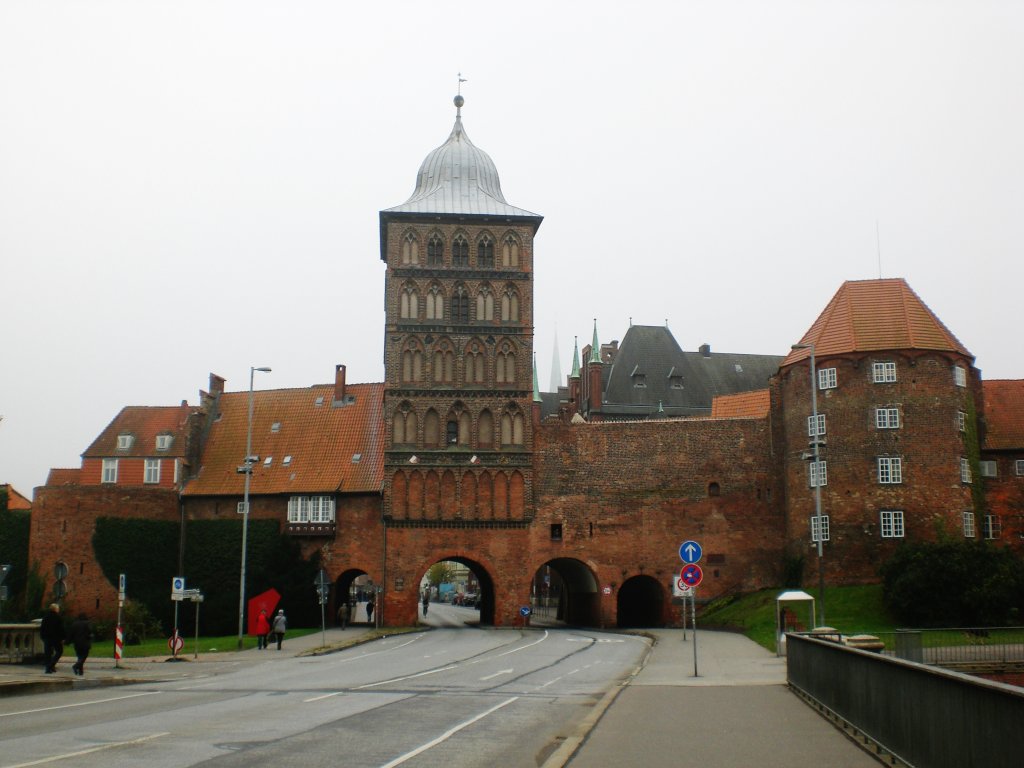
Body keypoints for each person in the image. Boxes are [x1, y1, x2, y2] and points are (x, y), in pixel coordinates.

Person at [40, 603, 64, 674]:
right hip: (56, 638)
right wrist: (63, 638)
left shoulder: (46, 617)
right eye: (58, 608)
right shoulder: (58, 617)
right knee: (59, 651)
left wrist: (42, 636)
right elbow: (61, 629)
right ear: (56, 609)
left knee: (48, 653)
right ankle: (51, 665)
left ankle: (48, 668)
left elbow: (42, 628)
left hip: (46, 637)